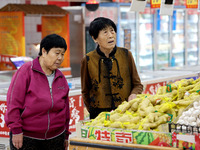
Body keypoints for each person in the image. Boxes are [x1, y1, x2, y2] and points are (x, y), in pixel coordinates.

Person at [5, 34, 70, 150]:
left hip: (56, 137)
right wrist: (16, 130)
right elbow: (13, 103)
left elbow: (66, 109)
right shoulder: (25, 71)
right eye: (57, 53)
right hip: (28, 137)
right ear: (44, 52)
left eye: (62, 54)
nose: (60, 58)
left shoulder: (61, 77)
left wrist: (66, 135)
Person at [81, 17, 143, 119]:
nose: (110, 35)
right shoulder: (88, 60)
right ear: (95, 38)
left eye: (112, 31)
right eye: (105, 32)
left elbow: (137, 84)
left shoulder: (126, 55)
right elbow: (85, 91)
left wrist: (134, 94)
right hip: (98, 115)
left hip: (125, 113)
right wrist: (93, 110)